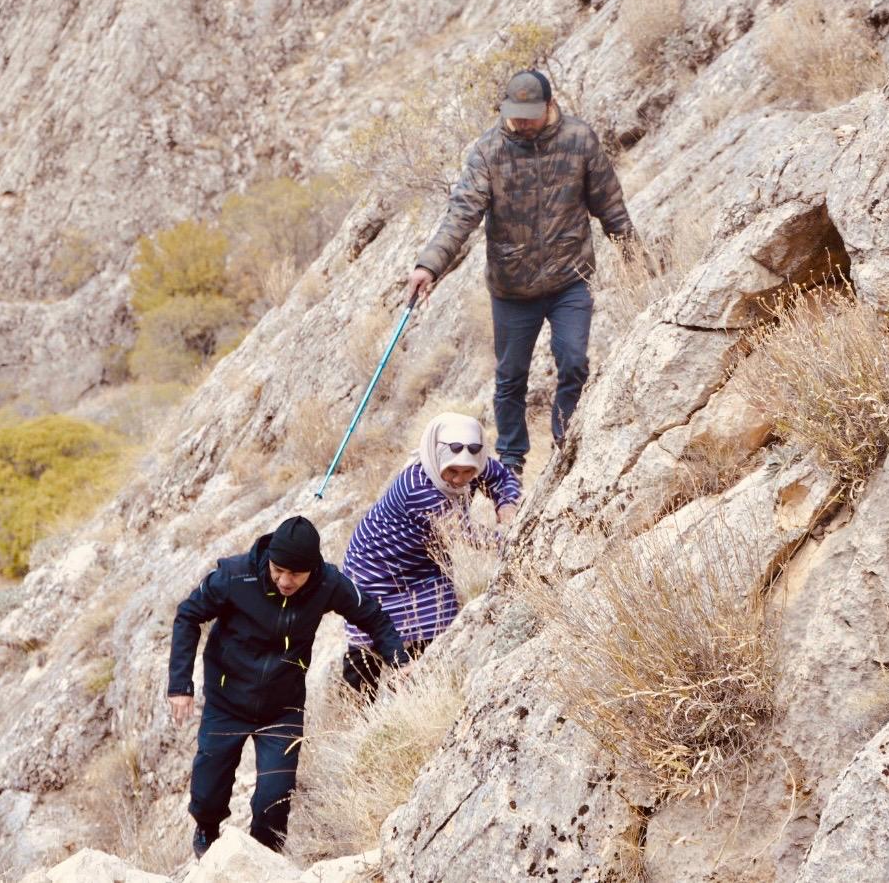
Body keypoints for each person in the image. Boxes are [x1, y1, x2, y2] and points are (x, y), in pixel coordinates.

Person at [405, 70, 632, 475]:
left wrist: (633, 251)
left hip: (569, 278)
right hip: (512, 288)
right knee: (511, 378)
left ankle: (566, 442)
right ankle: (511, 461)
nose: (522, 122)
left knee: (575, 360)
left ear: (549, 107)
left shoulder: (579, 140)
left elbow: (608, 202)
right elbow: (462, 214)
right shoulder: (489, 152)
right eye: (515, 114)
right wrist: (429, 265)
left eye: (530, 114)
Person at [167, 515, 408, 858]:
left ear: (312, 569)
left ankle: (261, 860)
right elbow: (188, 615)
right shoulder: (236, 575)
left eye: (295, 573)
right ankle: (207, 830)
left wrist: (398, 660)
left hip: (282, 708)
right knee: (207, 794)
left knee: (274, 802)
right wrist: (180, 684)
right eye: (278, 569)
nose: (284, 580)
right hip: (226, 702)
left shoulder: (328, 584)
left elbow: (373, 615)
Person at [340, 413, 520, 699]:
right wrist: (517, 538)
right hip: (375, 569)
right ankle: (358, 710)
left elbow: (500, 476)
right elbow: (466, 535)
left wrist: (506, 502)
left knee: (435, 636)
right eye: (453, 472)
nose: (460, 479)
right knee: (369, 647)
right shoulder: (419, 488)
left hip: (422, 567)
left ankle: (419, 697)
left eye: (468, 472)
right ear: (438, 457)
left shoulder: (462, 462)